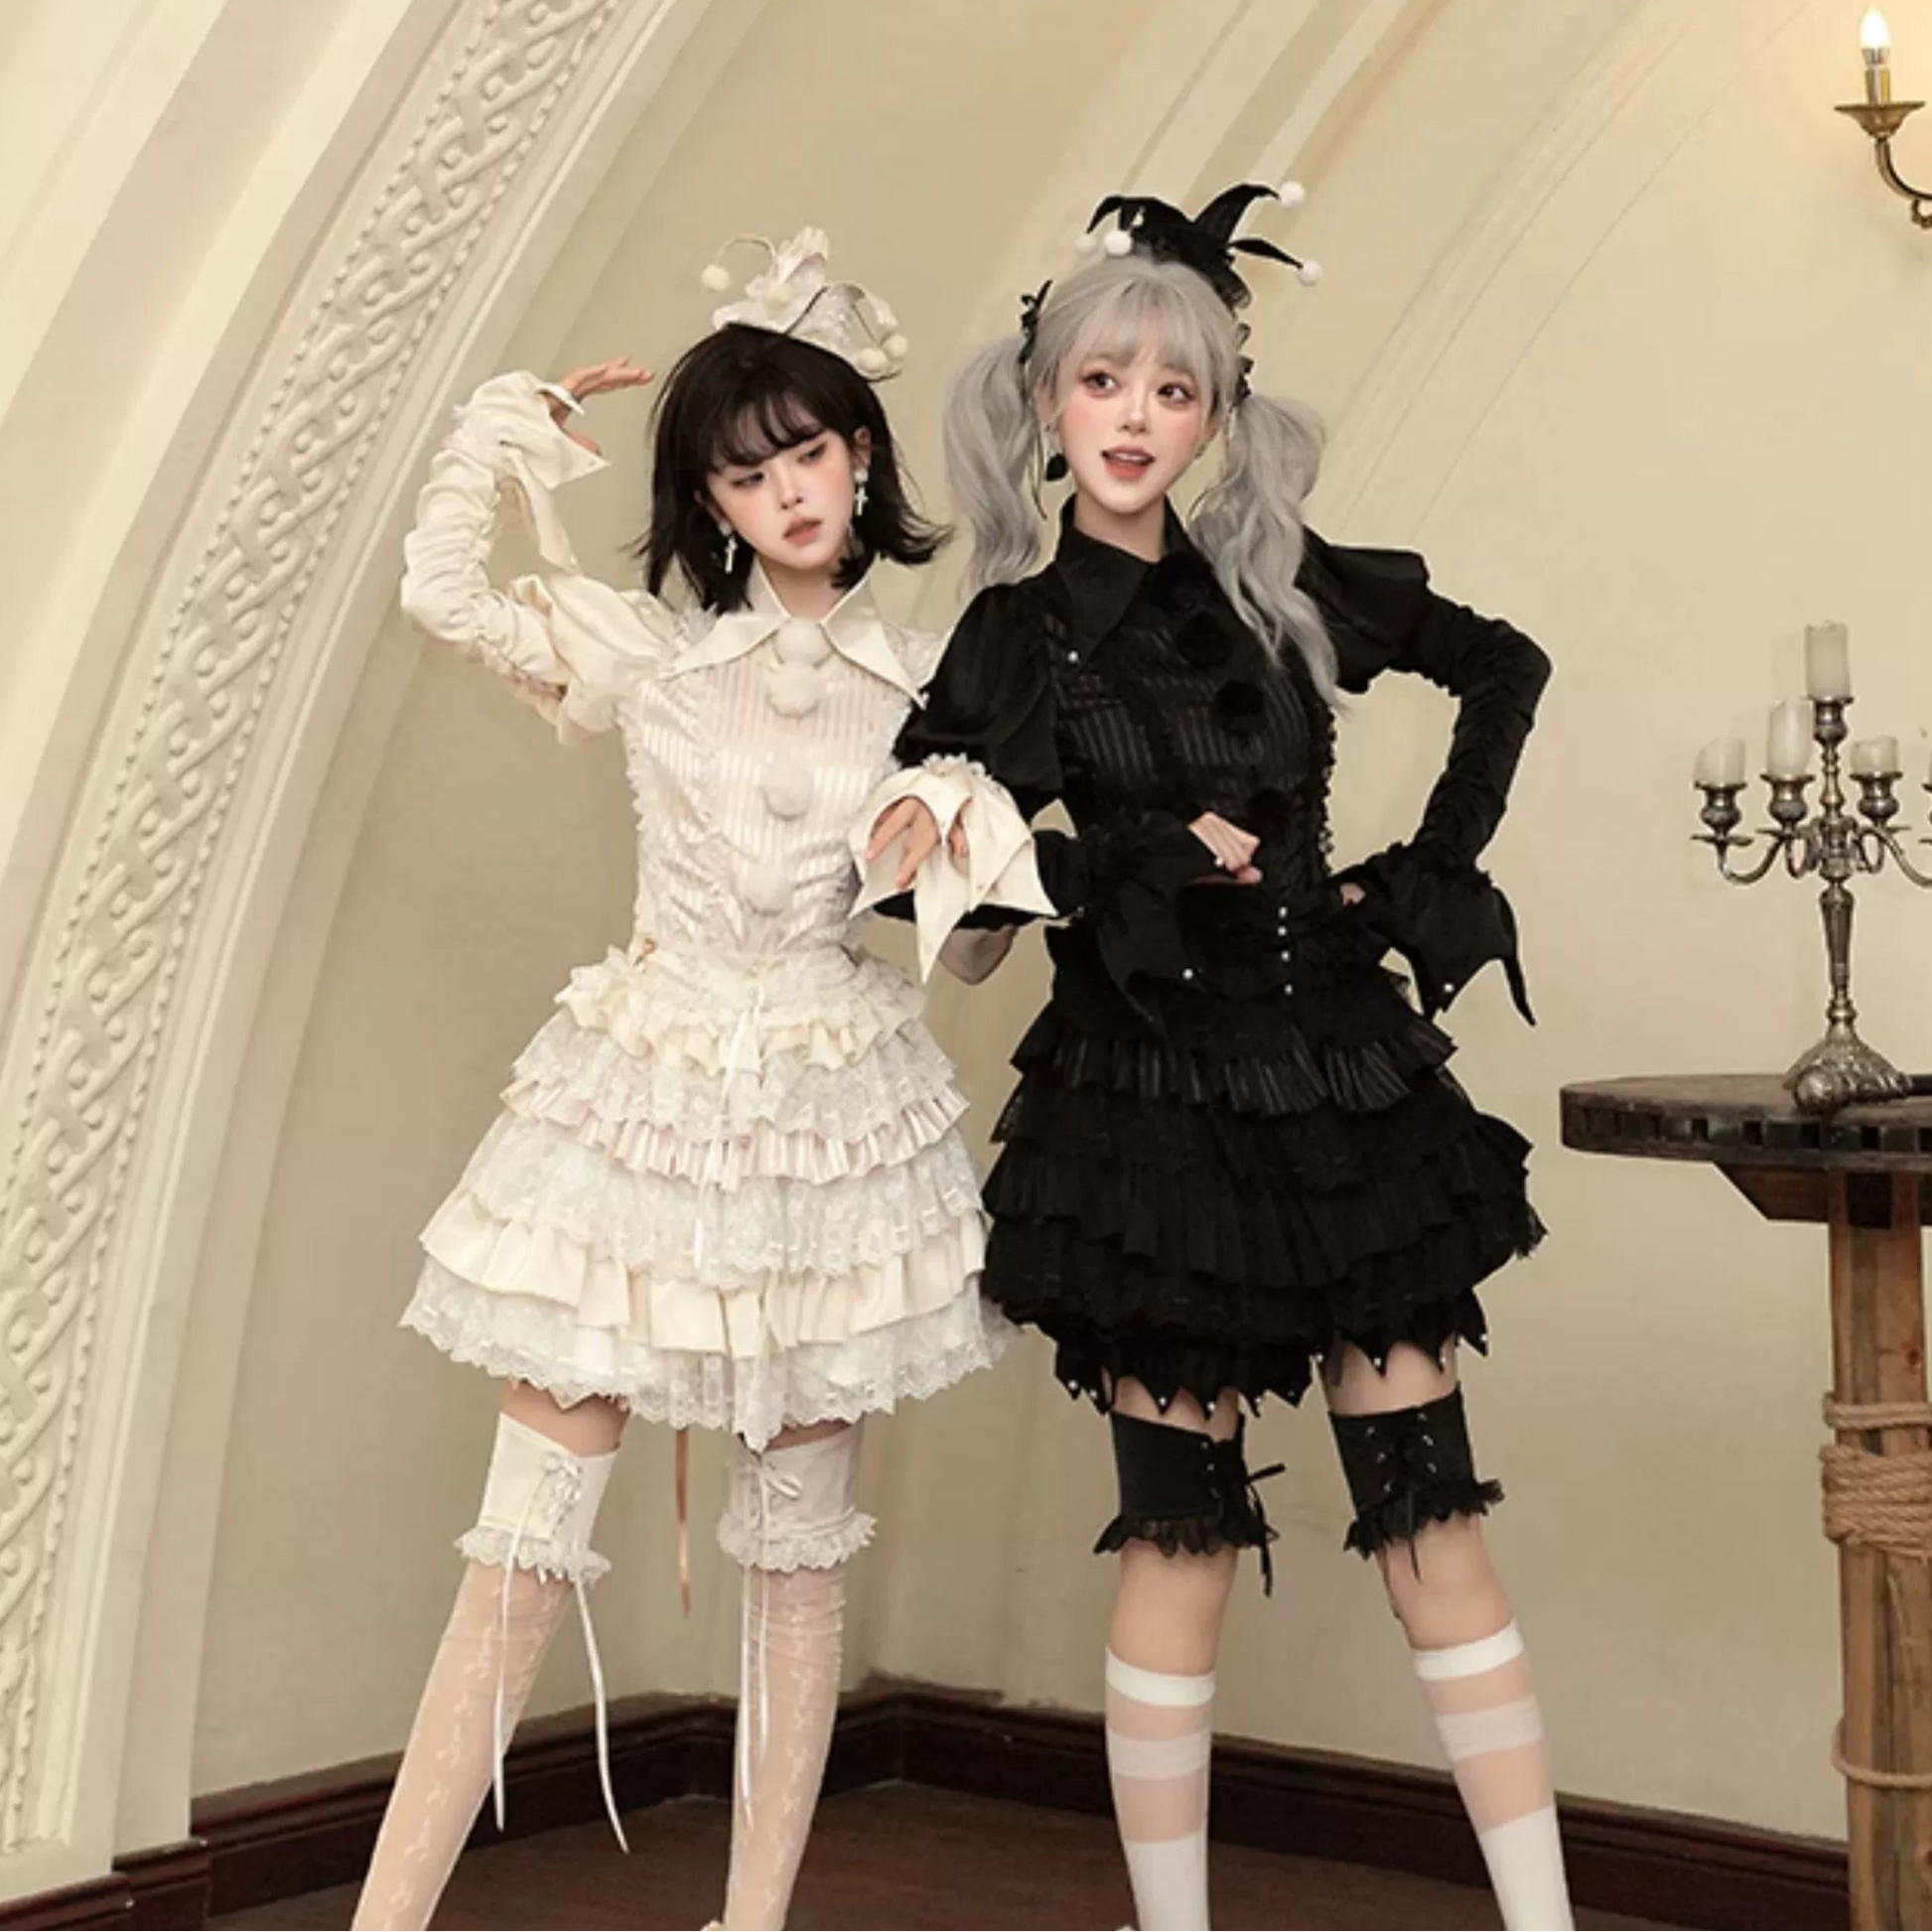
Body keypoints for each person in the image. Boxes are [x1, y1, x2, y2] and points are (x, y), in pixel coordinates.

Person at [859, 186, 1568, 1931]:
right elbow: (923, 883)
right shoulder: (1014, 634)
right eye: (1102, 381)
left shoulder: (1277, 584)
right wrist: (1125, 863)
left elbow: (1503, 664)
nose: (1133, 418)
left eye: (1172, 391)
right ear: (1045, 402)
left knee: (1431, 1520)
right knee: (1178, 1544)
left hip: (1339, 1095)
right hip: (1149, 1124)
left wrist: (1420, 871)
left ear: (1214, 417)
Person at [357, 226, 1008, 1932]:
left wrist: (965, 848)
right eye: (744, 471)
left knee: (796, 1557)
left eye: (808, 452)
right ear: (710, 503)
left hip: (832, 1129)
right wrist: (499, 428)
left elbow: (975, 951)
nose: (786, 491)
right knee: (521, 1540)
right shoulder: (650, 654)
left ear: (859, 457)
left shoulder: (937, 685)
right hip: (641, 1106)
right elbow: (438, 596)